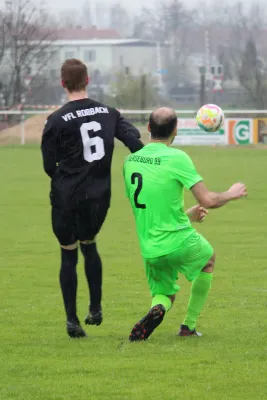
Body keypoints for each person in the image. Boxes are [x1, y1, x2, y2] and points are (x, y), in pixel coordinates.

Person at [123, 107, 247, 341]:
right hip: (177, 240)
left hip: (150, 247)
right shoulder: (178, 158)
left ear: (148, 128)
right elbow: (208, 200)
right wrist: (232, 193)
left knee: (164, 294)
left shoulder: (130, 161)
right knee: (208, 261)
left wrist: (187, 215)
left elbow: (150, 207)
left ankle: (157, 309)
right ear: (175, 131)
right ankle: (188, 326)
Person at [41, 59, 143, 338]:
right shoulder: (109, 113)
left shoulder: (56, 119)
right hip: (99, 196)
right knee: (89, 244)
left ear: (63, 83)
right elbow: (135, 144)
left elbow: (49, 166)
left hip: (66, 196)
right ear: (88, 80)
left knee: (68, 252)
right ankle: (95, 307)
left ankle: (72, 321)